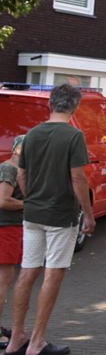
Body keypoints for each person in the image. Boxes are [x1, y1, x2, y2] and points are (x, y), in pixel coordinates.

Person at [7, 83, 93, 355]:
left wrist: (34, 196)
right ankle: (37, 341)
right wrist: (88, 214)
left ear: (49, 104)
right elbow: (78, 177)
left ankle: (16, 338)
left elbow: (20, 174)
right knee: (52, 274)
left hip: (32, 214)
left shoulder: (30, 135)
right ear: (75, 106)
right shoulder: (73, 136)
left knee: (27, 271)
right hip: (60, 215)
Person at [0, 135, 25, 349]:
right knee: (4, 278)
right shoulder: (9, 169)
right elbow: (4, 200)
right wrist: (30, 205)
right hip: (6, 227)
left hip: (11, 227)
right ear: (16, 149)